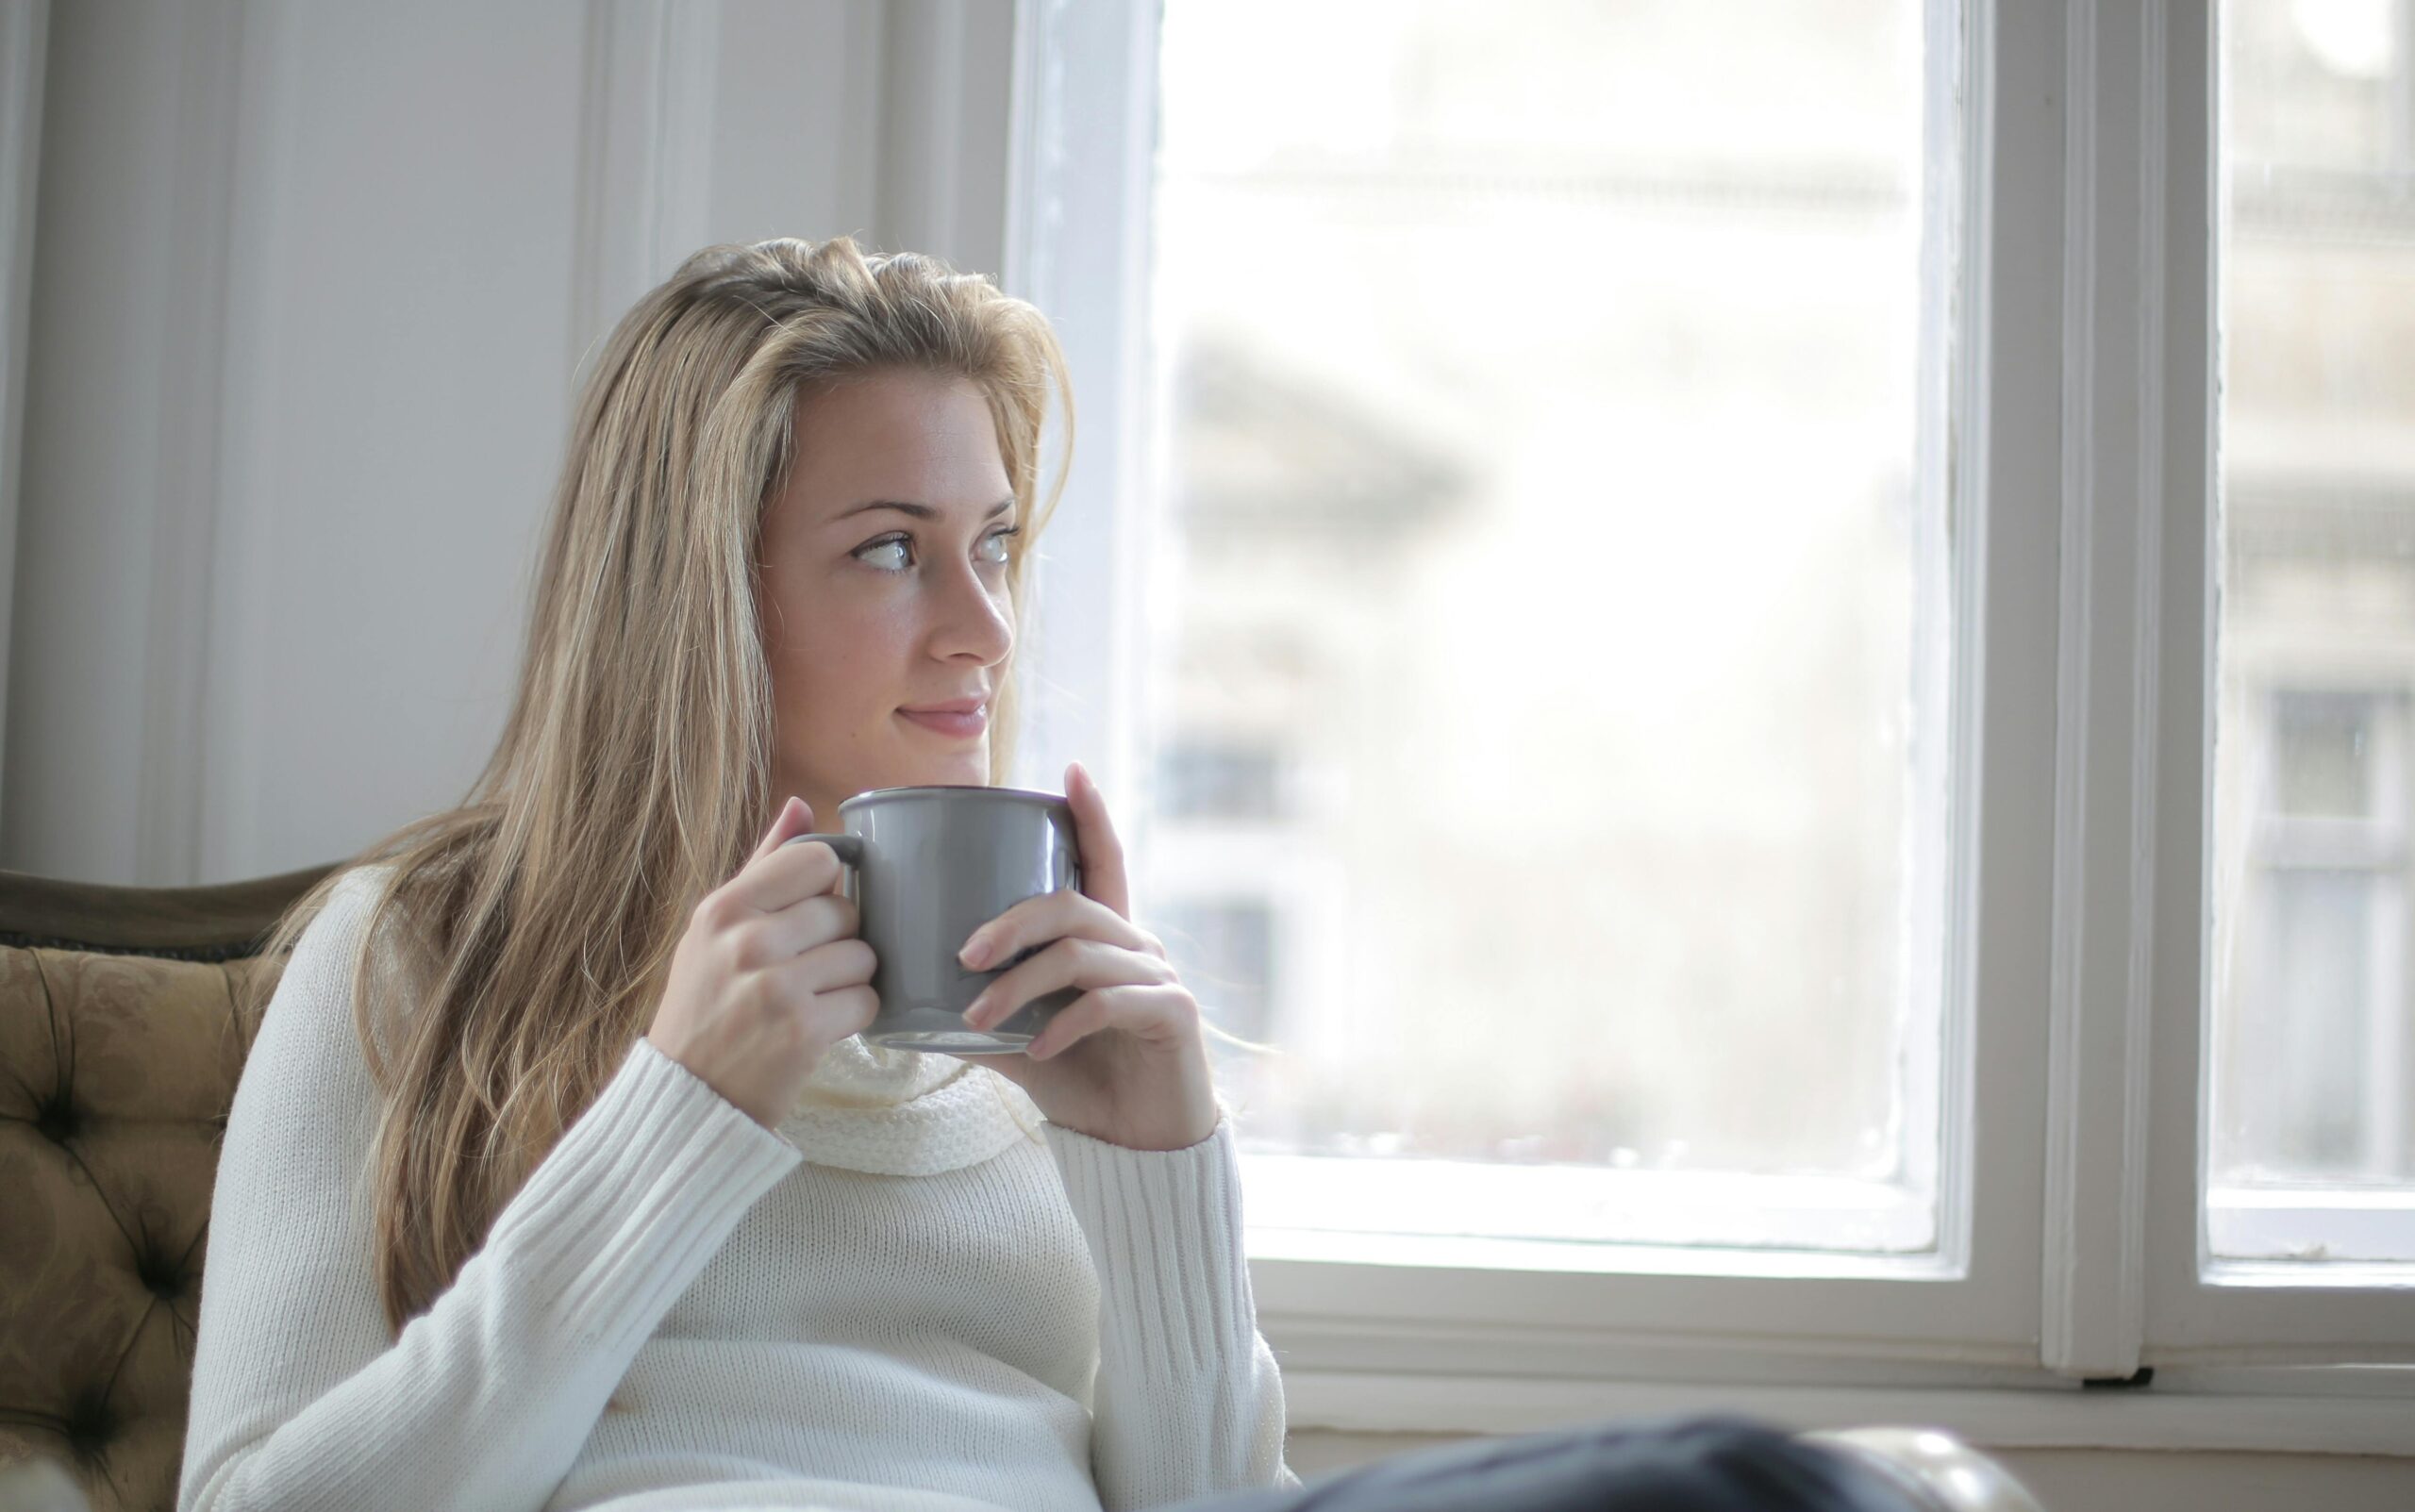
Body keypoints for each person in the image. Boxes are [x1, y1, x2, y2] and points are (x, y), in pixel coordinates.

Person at [176, 235, 1924, 1512]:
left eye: (995, 543)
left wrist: (1158, 1169)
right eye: (891, 552)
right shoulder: (418, 957)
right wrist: (676, 1117)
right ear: (696, 594)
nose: (986, 629)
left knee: (1750, 1493)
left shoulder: (1030, 1010)